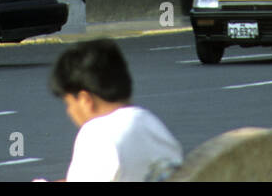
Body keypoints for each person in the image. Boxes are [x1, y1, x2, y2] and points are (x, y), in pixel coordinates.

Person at [48, 39, 183, 182]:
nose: (70, 112)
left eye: (68, 103)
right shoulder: (153, 126)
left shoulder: (98, 133)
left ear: (85, 100)